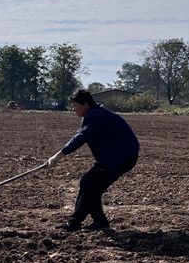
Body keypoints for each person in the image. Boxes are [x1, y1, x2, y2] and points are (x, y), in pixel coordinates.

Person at [47, 88, 139, 231]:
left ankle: (75, 221)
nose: (73, 109)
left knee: (88, 182)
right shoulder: (95, 113)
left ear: (86, 105)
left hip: (120, 157)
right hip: (119, 156)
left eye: (76, 106)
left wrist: (58, 156)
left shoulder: (96, 116)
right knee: (92, 187)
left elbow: (80, 138)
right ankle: (99, 222)